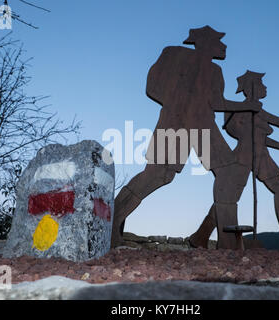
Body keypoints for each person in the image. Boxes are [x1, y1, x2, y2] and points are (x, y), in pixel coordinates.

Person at [111, 26, 261, 248]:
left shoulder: (216, 72)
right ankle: (111, 222)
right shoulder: (174, 54)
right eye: (219, 41)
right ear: (205, 41)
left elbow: (217, 103)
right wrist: (179, 104)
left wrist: (246, 105)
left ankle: (221, 240)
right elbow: (153, 85)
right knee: (158, 175)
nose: (224, 46)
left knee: (228, 173)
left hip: (204, 127)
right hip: (175, 122)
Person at [188, 70, 279, 251]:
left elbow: (261, 138)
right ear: (252, 88)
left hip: (262, 157)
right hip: (243, 159)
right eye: (262, 84)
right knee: (228, 200)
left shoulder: (256, 110)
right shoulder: (247, 109)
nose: (265, 87)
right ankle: (200, 237)